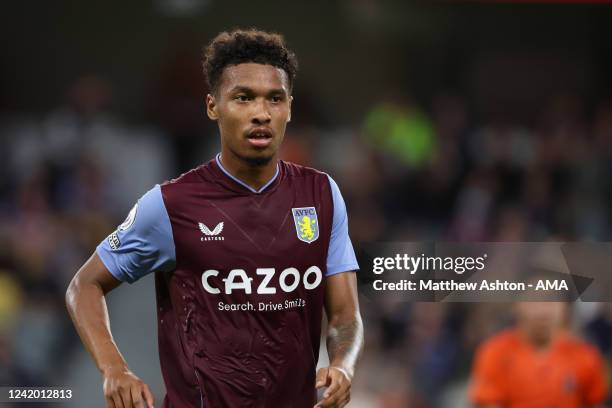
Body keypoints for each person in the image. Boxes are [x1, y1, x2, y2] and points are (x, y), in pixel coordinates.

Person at [65, 29, 364, 408]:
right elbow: (83, 286)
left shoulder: (322, 195)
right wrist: (114, 369)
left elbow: (345, 315)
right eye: (243, 98)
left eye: (274, 99)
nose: (261, 113)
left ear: (289, 107)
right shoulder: (170, 205)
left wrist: (344, 364)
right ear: (212, 106)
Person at [469, 301, 608, 408]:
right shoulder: (495, 351)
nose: (543, 311)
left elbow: (595, 401)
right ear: (517, 305)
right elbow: (487, 402)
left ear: (565, 308)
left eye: (551, 301)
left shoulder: (584, 354)